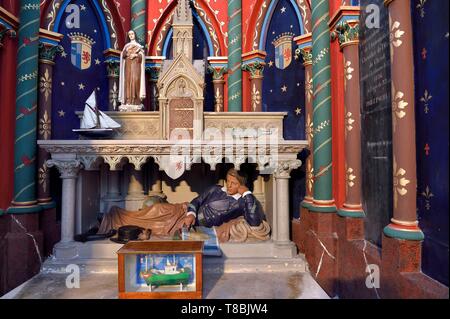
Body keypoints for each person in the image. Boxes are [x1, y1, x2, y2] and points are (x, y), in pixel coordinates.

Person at [97, 169, 270, 242]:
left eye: (234, 183)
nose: (230, 185)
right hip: (184, 211)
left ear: (241, 185)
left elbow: (254, 221)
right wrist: (190, 214)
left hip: (193, 224)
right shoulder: (216, 189)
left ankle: (114, 221)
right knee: (157, 210)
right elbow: (196, 201)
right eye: (228, 181)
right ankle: (114, 217)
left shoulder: (241, 202)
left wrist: (246, 193)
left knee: (158, 226)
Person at [118, 30, 146, 107]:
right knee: (128, 81)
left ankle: (136, 100)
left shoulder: (139, 46)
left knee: (136, 79)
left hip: (136, 65)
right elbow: (123, 55)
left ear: (135, 35)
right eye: (129, 34)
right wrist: (127, 53)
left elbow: (142, 57)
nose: (131, 35)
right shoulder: (126, 46)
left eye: (132, 34)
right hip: (128, 65)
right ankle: (128, 100)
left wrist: (136, 55)